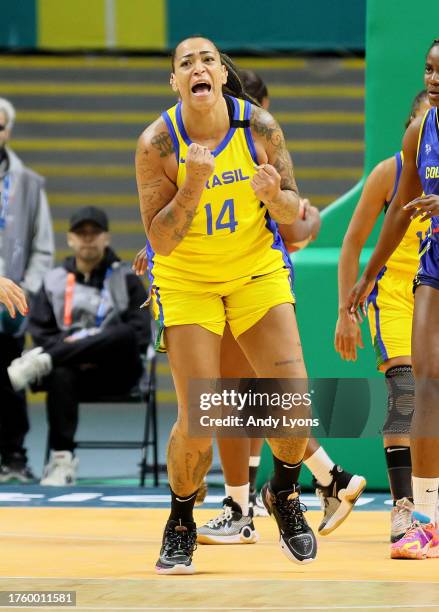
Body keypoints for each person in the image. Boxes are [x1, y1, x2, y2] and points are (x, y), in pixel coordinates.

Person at [136, 36, 317, 574]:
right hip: (187, 278)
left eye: (207, 59)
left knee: (294, 404)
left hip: (254, 271)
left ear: (220, 74)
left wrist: (274, 197)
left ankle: (282, 494)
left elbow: (292, 208)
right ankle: (181, 521)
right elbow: (160, 240)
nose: (198, 67)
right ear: (175, 82)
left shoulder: (259, 127)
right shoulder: (156, 145)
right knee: (199, 418)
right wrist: (192, 185)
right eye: (186, 62)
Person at [195, 69, 365, 543]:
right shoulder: (232, 146)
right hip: (247, 279)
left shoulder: (249, 149)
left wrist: (302, 223)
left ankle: (240, 507)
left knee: (229, 397)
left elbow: (291, 230)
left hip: (247, 282)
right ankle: (328, 477)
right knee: (255, 400)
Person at [349, 39, 439, 559]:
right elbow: (401, 211)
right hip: (432, 268)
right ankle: (424, 517)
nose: (433, 78)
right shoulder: (419, 131)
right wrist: (369, 274)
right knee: (422, 387)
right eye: (428, 68)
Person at [335, 91, 431, 543]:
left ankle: (428, 504)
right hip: (395, 297)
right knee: (405, 393)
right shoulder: (390, 173)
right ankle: (402, 508)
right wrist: (345, 310)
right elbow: (352, 243)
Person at [7, 206, 151, 485]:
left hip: (117, 372)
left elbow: (139, 334)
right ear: (70, 239)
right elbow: (40, 331)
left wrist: (84, 348)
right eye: (81, 233)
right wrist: (76, 353)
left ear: (106, 238)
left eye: (94, 232)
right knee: (61, 373)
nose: (88, 238)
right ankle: (61, 461)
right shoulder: (53, 280)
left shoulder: (127, 278)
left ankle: (44, 359)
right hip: (70, 374)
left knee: (122, 333)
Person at [0, 97, 54, 484]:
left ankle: (14, 456)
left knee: (11, 377)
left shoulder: (30, 184)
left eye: (0, 126)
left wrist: (25, 290)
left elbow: (44, 246)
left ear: (9, 130)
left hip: (11, 302)